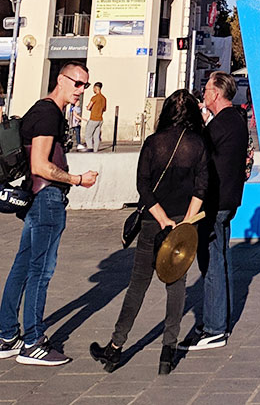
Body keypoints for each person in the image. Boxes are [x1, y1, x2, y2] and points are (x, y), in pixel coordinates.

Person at [89, 90, 207, 375]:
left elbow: (143, 187)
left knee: (138, 284)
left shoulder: (154, 143)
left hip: (154, 222)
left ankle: (116, 347)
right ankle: (168, 350)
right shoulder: (198, 144)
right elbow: (201, 188)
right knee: (176, 285)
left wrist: (162, 218)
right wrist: (184, 223)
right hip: (183, 222)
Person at [0, 61, 98, 366]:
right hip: (47, 198)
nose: (81, 90)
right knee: (40, 271)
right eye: (77, 83)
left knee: (23, 265)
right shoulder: (47, 113)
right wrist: (79, 180)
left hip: (39, 198)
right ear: (61, 80)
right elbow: (40, 165)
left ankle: (6, 336)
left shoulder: (44, 110)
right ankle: (33, 342)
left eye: (85, 84)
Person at [183, 72, 249, 351]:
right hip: (227, 200)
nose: (204, 94)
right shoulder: (234, 120)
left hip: (215, 203)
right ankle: (215, 320)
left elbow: (201, 157)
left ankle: (214, 328)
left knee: (212, 266)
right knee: (217, 263)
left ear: (217, 94)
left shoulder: (221, 124)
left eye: (207, 89)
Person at [85, 82, 107, 152]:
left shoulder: (94, 97)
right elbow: (104, 109)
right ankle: (95, 151)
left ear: (96, 88)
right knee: (96, 137)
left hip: (93, 119)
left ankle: (90, 149)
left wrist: (90, 108)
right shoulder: (104, 98)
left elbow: (88, 107)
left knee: (88, 136)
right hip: (100, 119)